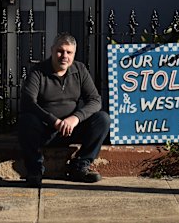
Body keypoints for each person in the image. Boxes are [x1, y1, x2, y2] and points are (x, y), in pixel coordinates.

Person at [18, 33, 110, 187]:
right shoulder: (38, 72)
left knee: (103, 119)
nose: (64, 56)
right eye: (60, 51)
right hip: (45, 131)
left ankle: (80, 166)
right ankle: (35, 170)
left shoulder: (79, 69)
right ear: (52, 50)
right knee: (27, 120)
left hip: (71, 129)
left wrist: (75, 118)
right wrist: (53, 121)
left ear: (74, 54)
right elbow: (28, 102)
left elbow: (95, 100)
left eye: (69, 52)